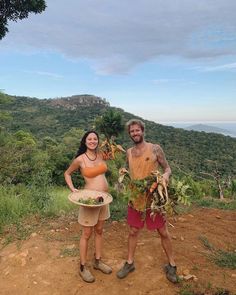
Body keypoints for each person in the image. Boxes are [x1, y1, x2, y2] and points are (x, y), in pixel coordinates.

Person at [116, 119, 178, 283]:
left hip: (154, 200)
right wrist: (122, 177)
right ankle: (129, 263)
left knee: (163, 232)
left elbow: (167, 168)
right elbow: (126, 170)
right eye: (131, 131)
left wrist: (165, 175)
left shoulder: (155, 148)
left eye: (137, 130)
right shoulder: (128, 152)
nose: (134, 133)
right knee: (133, 231)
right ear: (129, 134)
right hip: (136, 198)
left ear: (142, 131)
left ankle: (172, 265)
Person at [64, 130, 112, 283]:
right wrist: (73, 189)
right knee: (86, 234)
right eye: (89, 139)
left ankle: (97, 261)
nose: (92, 141)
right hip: (89, 201)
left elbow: (112, 157)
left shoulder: (101, 155)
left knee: (99, 231)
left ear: (98, 141)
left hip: (104, 200)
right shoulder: (80, 159)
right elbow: (67, 173)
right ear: (85, 141)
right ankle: (83, 267)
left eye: (95, 139)